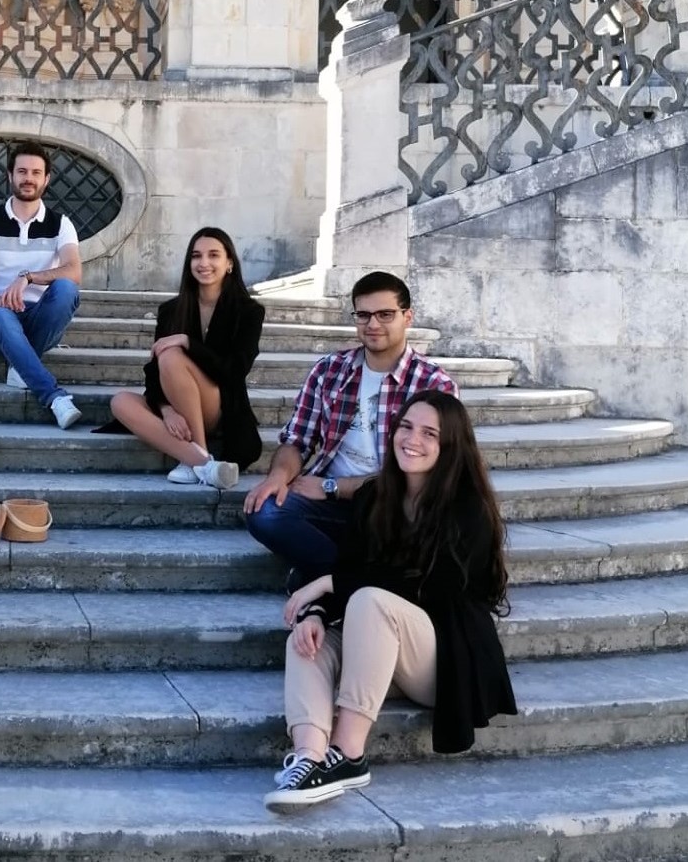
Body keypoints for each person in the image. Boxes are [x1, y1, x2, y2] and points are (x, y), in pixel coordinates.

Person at [263, 390, 517, 809]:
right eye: (406, 427)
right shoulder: (374, 498)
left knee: (370, 600)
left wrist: (328, 583)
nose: (412, 439)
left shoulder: (468, 508)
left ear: (450, 444)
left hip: (443, 658)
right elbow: (352, 566)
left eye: (430, 433)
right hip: (380, 653)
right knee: (306, 640)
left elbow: (434, 587)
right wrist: (316, 613)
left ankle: (349, 754)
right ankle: (309, 759)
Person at [242, 271, 457, 587]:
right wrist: (277, 477)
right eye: (363, 315)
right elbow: (297, 440)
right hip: (328, 504)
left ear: (407, 317)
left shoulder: (434, 385)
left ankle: (324, 575)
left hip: (393, 506)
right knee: (266, 513)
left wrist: (333, 486)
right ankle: (344, 577)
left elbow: (432, 473)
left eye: (385, 314)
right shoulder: (330, 370)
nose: (373, 324)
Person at [108, 227, 264, 490]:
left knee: (171, 355)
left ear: (229, 263)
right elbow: (153, 371)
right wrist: (166, 410)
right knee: (120, 402)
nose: (203, 263)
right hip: (176, 401)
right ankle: (201, 462)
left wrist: (189, 343)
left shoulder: (248, 311)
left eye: (213, 255)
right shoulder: (171, 310)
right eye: (196, 256)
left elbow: (235, 370)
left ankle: (194, 456)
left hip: (220, 406)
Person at [0, 140, 83, 430]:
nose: (28, 178)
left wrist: (28, 277)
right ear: (10, 175)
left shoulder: (61, 224)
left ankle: (22, 364)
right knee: (3, 318)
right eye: (22, 171)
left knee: (66, 288)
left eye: (35, 172)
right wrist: (0, 303)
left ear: (46, 179)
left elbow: (74, 271)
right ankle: (54, 396)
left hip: (38, 320)